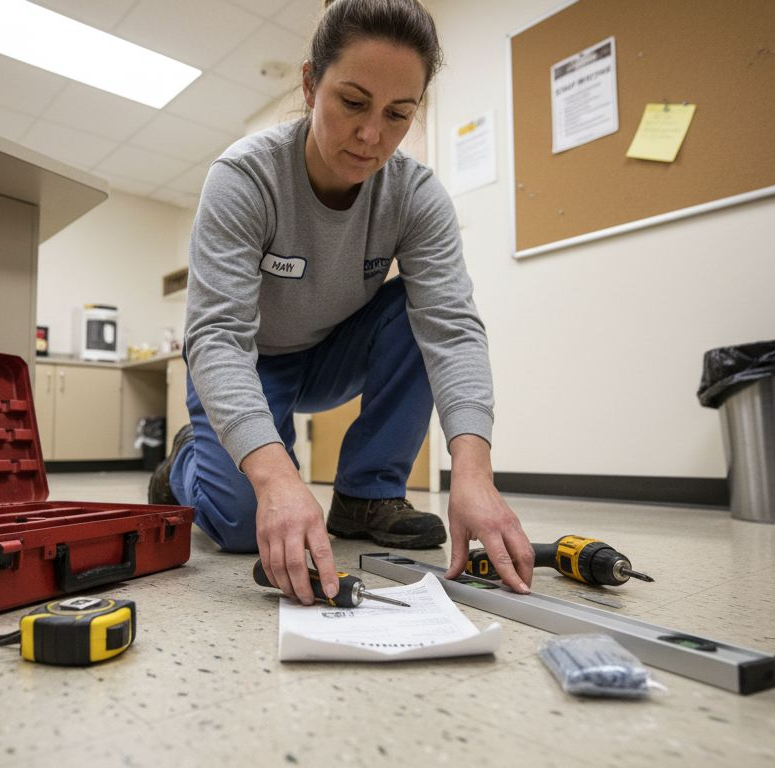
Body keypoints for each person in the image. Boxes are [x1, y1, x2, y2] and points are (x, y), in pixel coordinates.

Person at [149, 0, 533, 604]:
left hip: (331, 354)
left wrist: (474, 474)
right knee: (241, 527)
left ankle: (366, 493)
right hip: (245, 359)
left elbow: (453, 330)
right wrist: (274, 477)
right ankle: (185, 467)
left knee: (417, 308)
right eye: (352, 102)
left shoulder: (415, 196)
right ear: (310, 83)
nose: (371, 135)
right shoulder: (245, 178)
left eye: (398, 113)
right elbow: (217, 337)